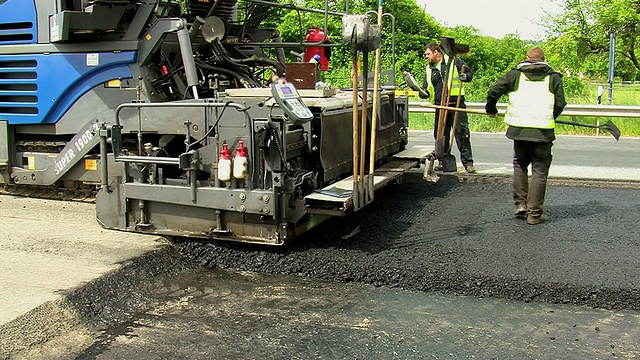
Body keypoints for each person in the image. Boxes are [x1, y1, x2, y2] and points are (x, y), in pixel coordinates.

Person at [485, 47, 567, 225]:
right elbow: (560, 103)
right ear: (544, 59)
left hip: (519, 131)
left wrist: (491, 109)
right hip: (543, 132)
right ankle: (534, 215)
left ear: (527, 58)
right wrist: (549, 116)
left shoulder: (515, 75)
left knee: (520, 164)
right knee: (539, 172)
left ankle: (521, 204)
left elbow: (493, 91)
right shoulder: (553, 77)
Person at [422, 42, 475, 173]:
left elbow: (468, 73)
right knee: (440, 135)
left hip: (456, 102)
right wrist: (422, 92)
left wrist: (465, 77)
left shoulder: (452, 61)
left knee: (462, 133)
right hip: (440, 105)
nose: (426, 57)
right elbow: (426, 87)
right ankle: (442, 160)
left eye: (428, 54)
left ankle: (468, 163)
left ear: (436, 52)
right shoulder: (429, 69)